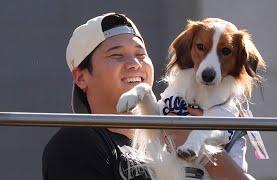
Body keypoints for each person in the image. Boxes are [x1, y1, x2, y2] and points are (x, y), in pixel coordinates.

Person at [42, 12, 253, 180]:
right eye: (116, 54)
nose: (135, 63)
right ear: (81, 78)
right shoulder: (76, 142)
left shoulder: (169, 130)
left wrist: (206, 146)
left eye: (141, 54)